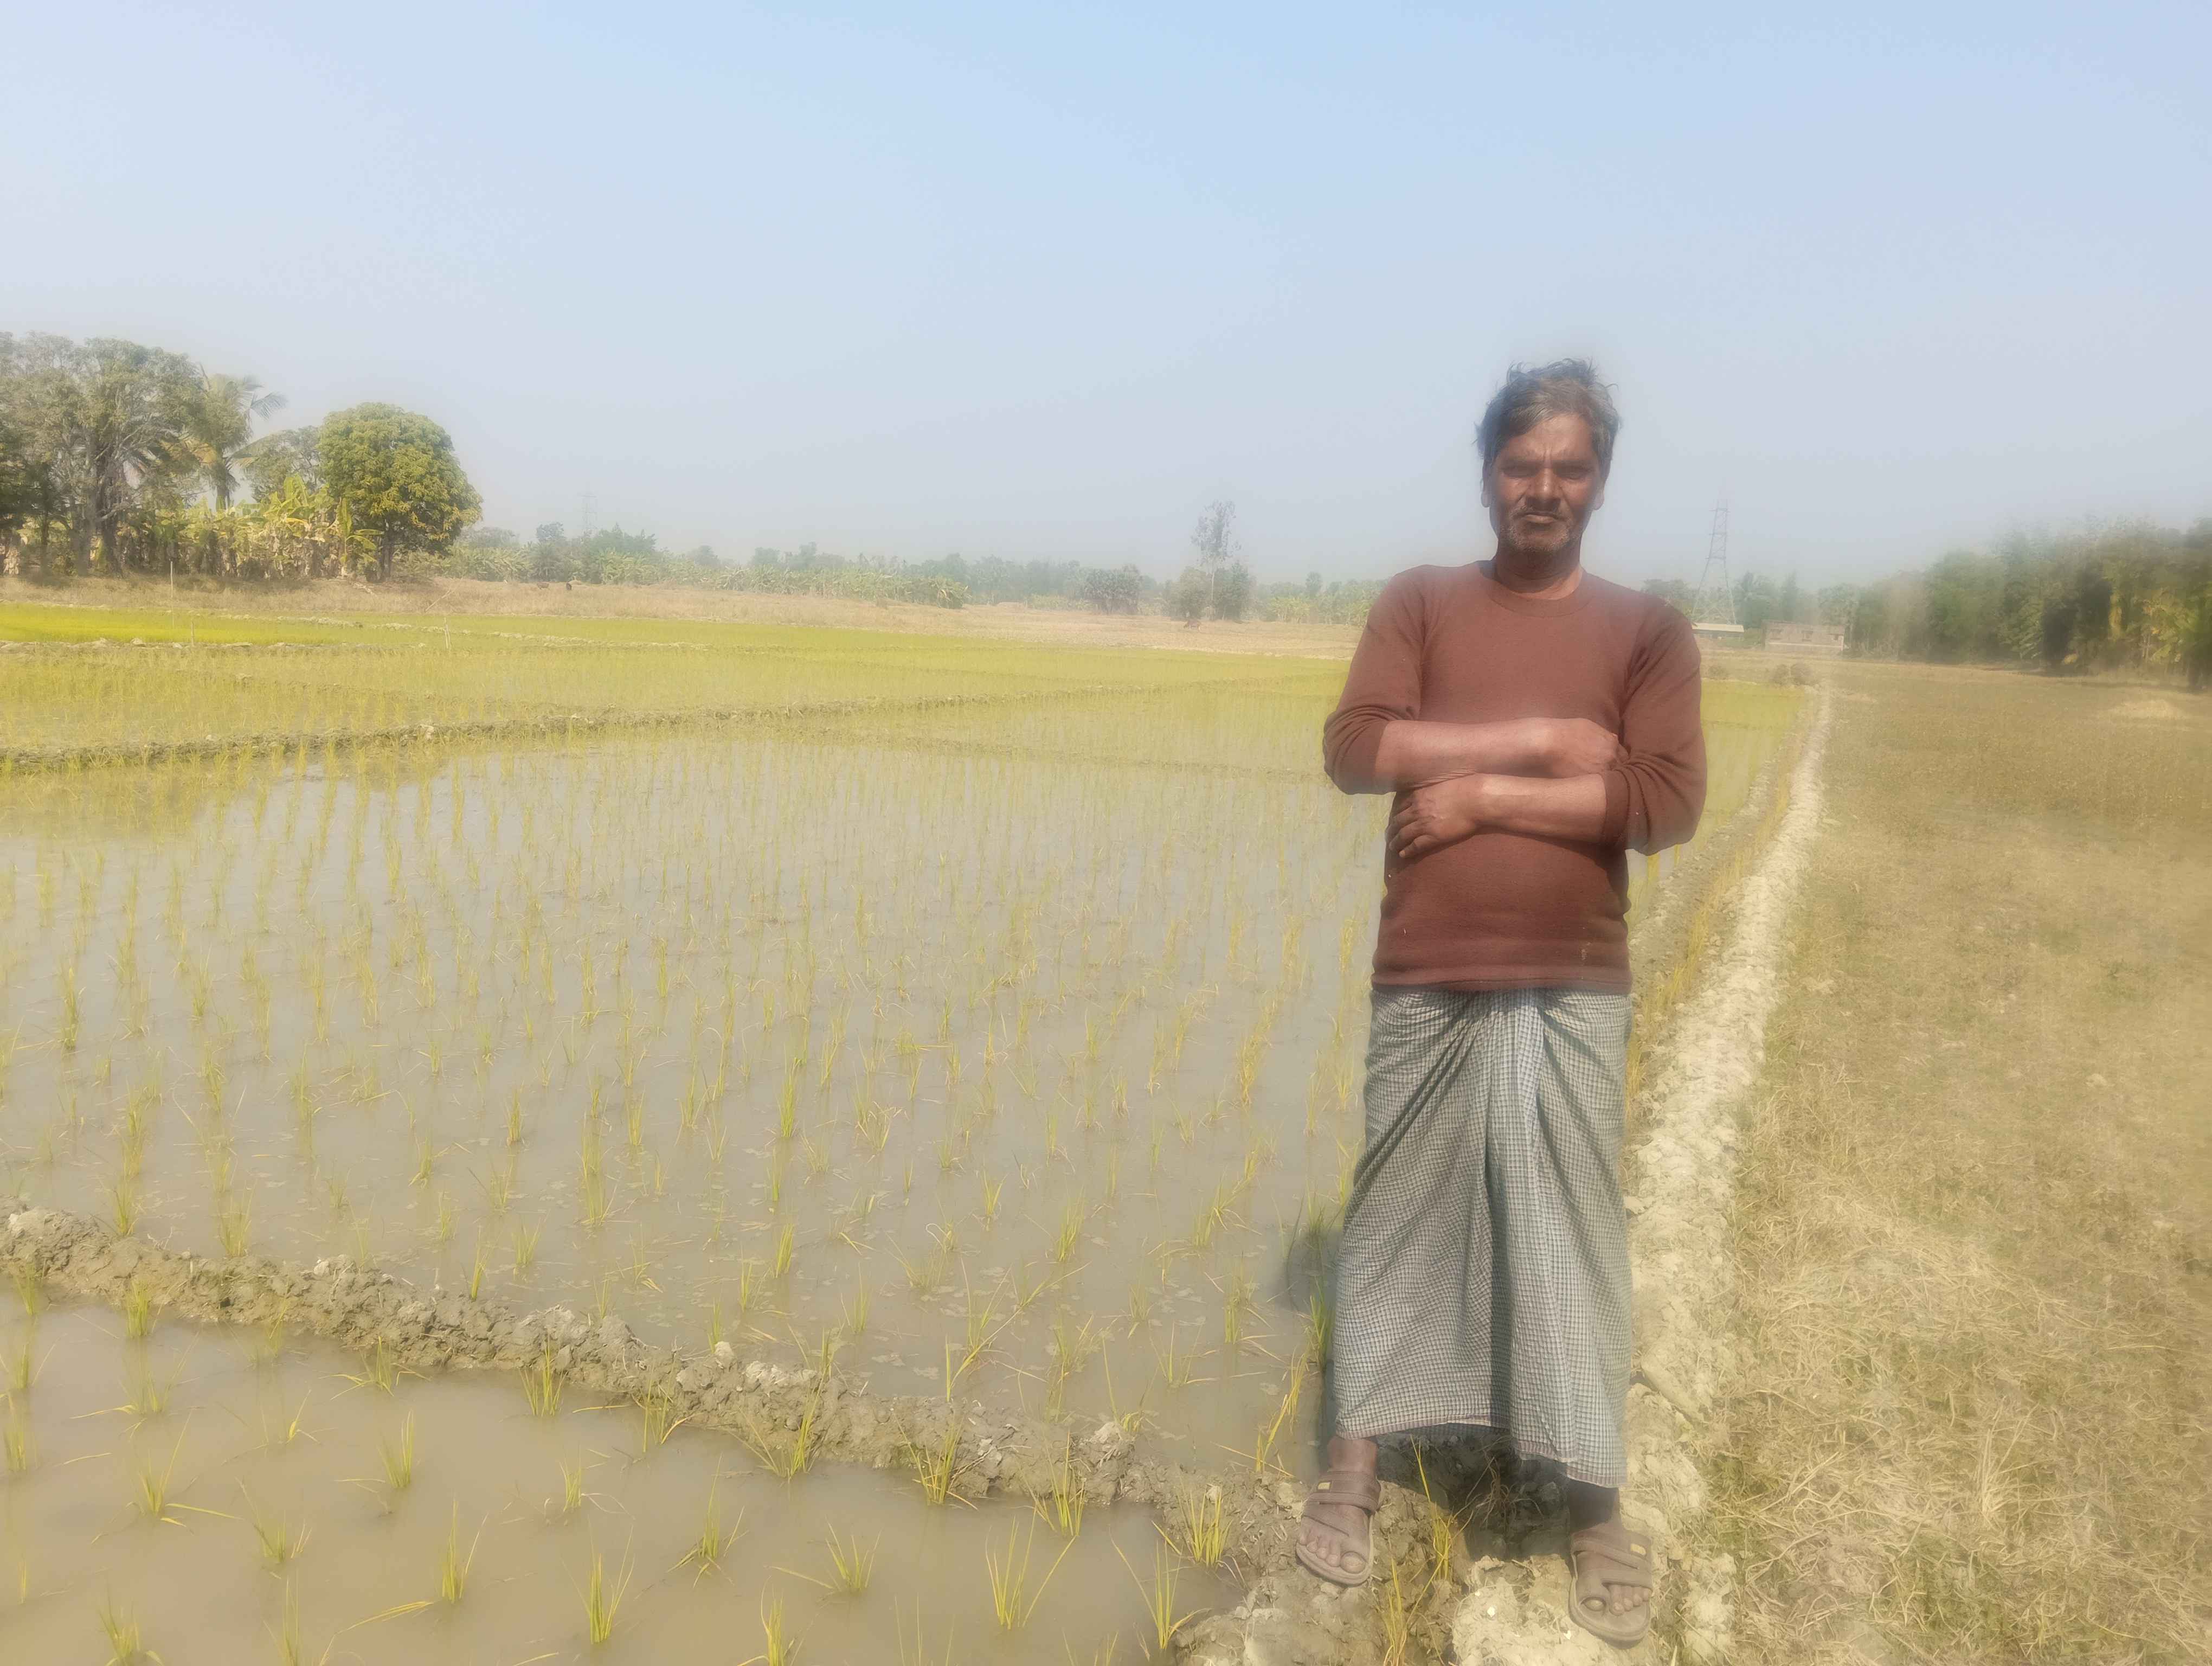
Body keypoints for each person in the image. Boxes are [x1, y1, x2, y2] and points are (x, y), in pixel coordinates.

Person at [1299, 361, 1705, 1648]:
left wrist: (1478, 800)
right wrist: (1532, 744)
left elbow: (1662, 802)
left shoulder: (1647, 631)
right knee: (1396, 1211)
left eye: (1569, 467)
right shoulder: (1421, 602)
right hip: (1426, 964)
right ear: (1487, 474)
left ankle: (1594, 1506)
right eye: (1523, 464)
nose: (1545, 487)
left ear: (1601, 482)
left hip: (1573, 973)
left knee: (1571, 1225)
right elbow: (1358, 748)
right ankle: (1356, 1465)